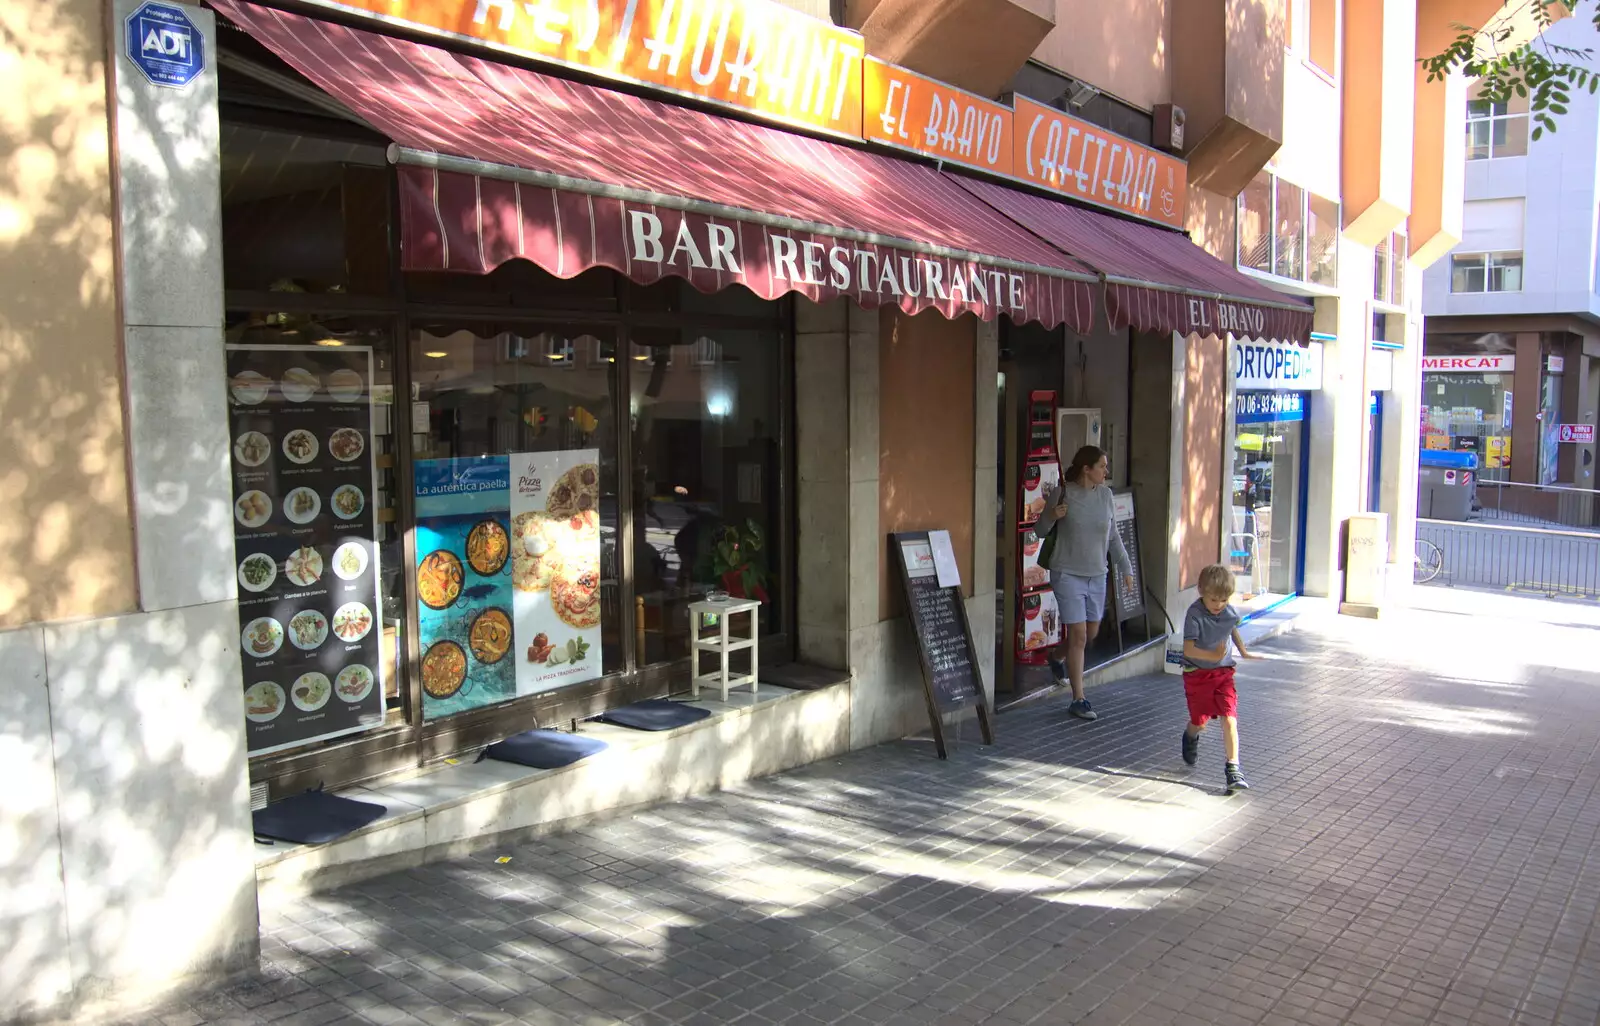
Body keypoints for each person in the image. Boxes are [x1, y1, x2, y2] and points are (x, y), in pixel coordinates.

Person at [1033, 445, 1134, 720]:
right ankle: (1079, 698)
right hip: (1067, 573)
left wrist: (1126, 568)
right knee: (1078, 634)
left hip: (1097, 574)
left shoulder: (1106, 496)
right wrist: (1052, 515)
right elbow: (1039, 530)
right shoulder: (1063, 493)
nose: (1106, 471)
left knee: (1090, 633)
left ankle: (1056, 656)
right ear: (1086, 469)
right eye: (1102, 466)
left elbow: (1113, 537)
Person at [1181, 564, 1262, 795]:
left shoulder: (1227, 611)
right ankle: (1190, 734)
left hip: (1223, 674)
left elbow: (1232, 628)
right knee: (1201, 721)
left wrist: (1243, 652)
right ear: (1201, 591)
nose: (1219, 605)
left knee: (1229, 718)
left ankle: (1233, 767)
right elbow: (1188, 649)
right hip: (1197, 674)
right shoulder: (1194, 614)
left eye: (1224, 600)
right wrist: (1212, 656)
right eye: (1214, 599)